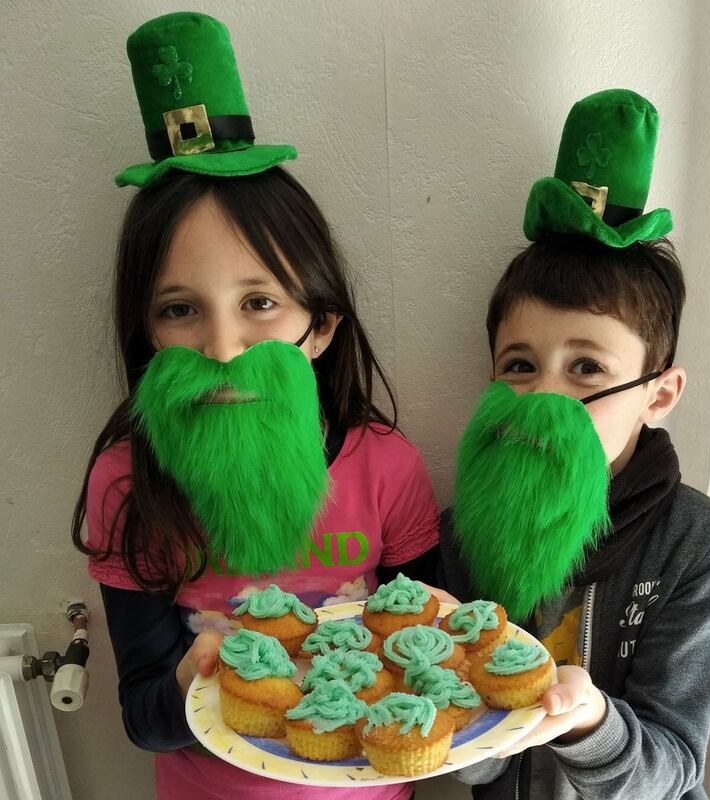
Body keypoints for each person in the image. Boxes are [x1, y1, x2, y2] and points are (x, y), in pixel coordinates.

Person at [72, 13, 438, 800]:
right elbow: (143, 717)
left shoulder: (387, 467)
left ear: (321, 327)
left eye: (260, 302)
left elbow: (427, 663)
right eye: (179, 309)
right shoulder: (125, 485)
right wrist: (194, 675)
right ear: (145, 335)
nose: (224, 347)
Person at [436, 89, 710, 799]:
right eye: (519, 365)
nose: (545, 399)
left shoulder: (695, 541)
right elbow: (477, 764)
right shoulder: (463, 532)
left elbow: (675, 767)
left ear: (658, 393)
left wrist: (588, 720)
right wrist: (459, 706)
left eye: (586, 369)